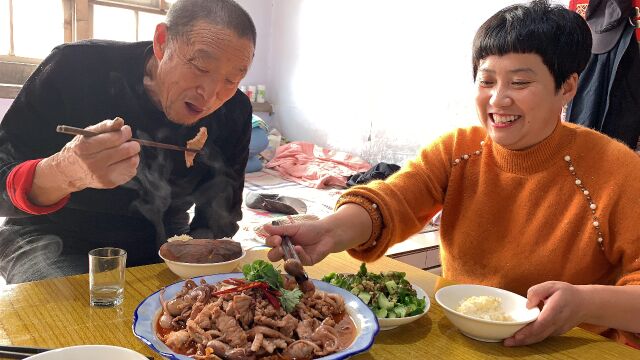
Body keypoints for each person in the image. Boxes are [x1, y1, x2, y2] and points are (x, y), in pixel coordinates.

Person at [265, 0, 640, 348]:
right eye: (487, 80)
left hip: (571, 348)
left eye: (520, 82)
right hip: (460, 339)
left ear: (568, 87)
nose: (498, 99)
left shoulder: (615, 171)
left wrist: (585, 303)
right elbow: (394, 202)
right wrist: (328, 231)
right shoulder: (459, 150)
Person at [0, 0, 256, 283]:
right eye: (200, 65)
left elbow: (220, 214)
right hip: (50, 235)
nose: (209, 96)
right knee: (82, 316)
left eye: (232, 80)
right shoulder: (75, 68)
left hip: (160, 240)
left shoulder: (234, 111)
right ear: (162, 42)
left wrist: (196, 261)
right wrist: (66, 172)